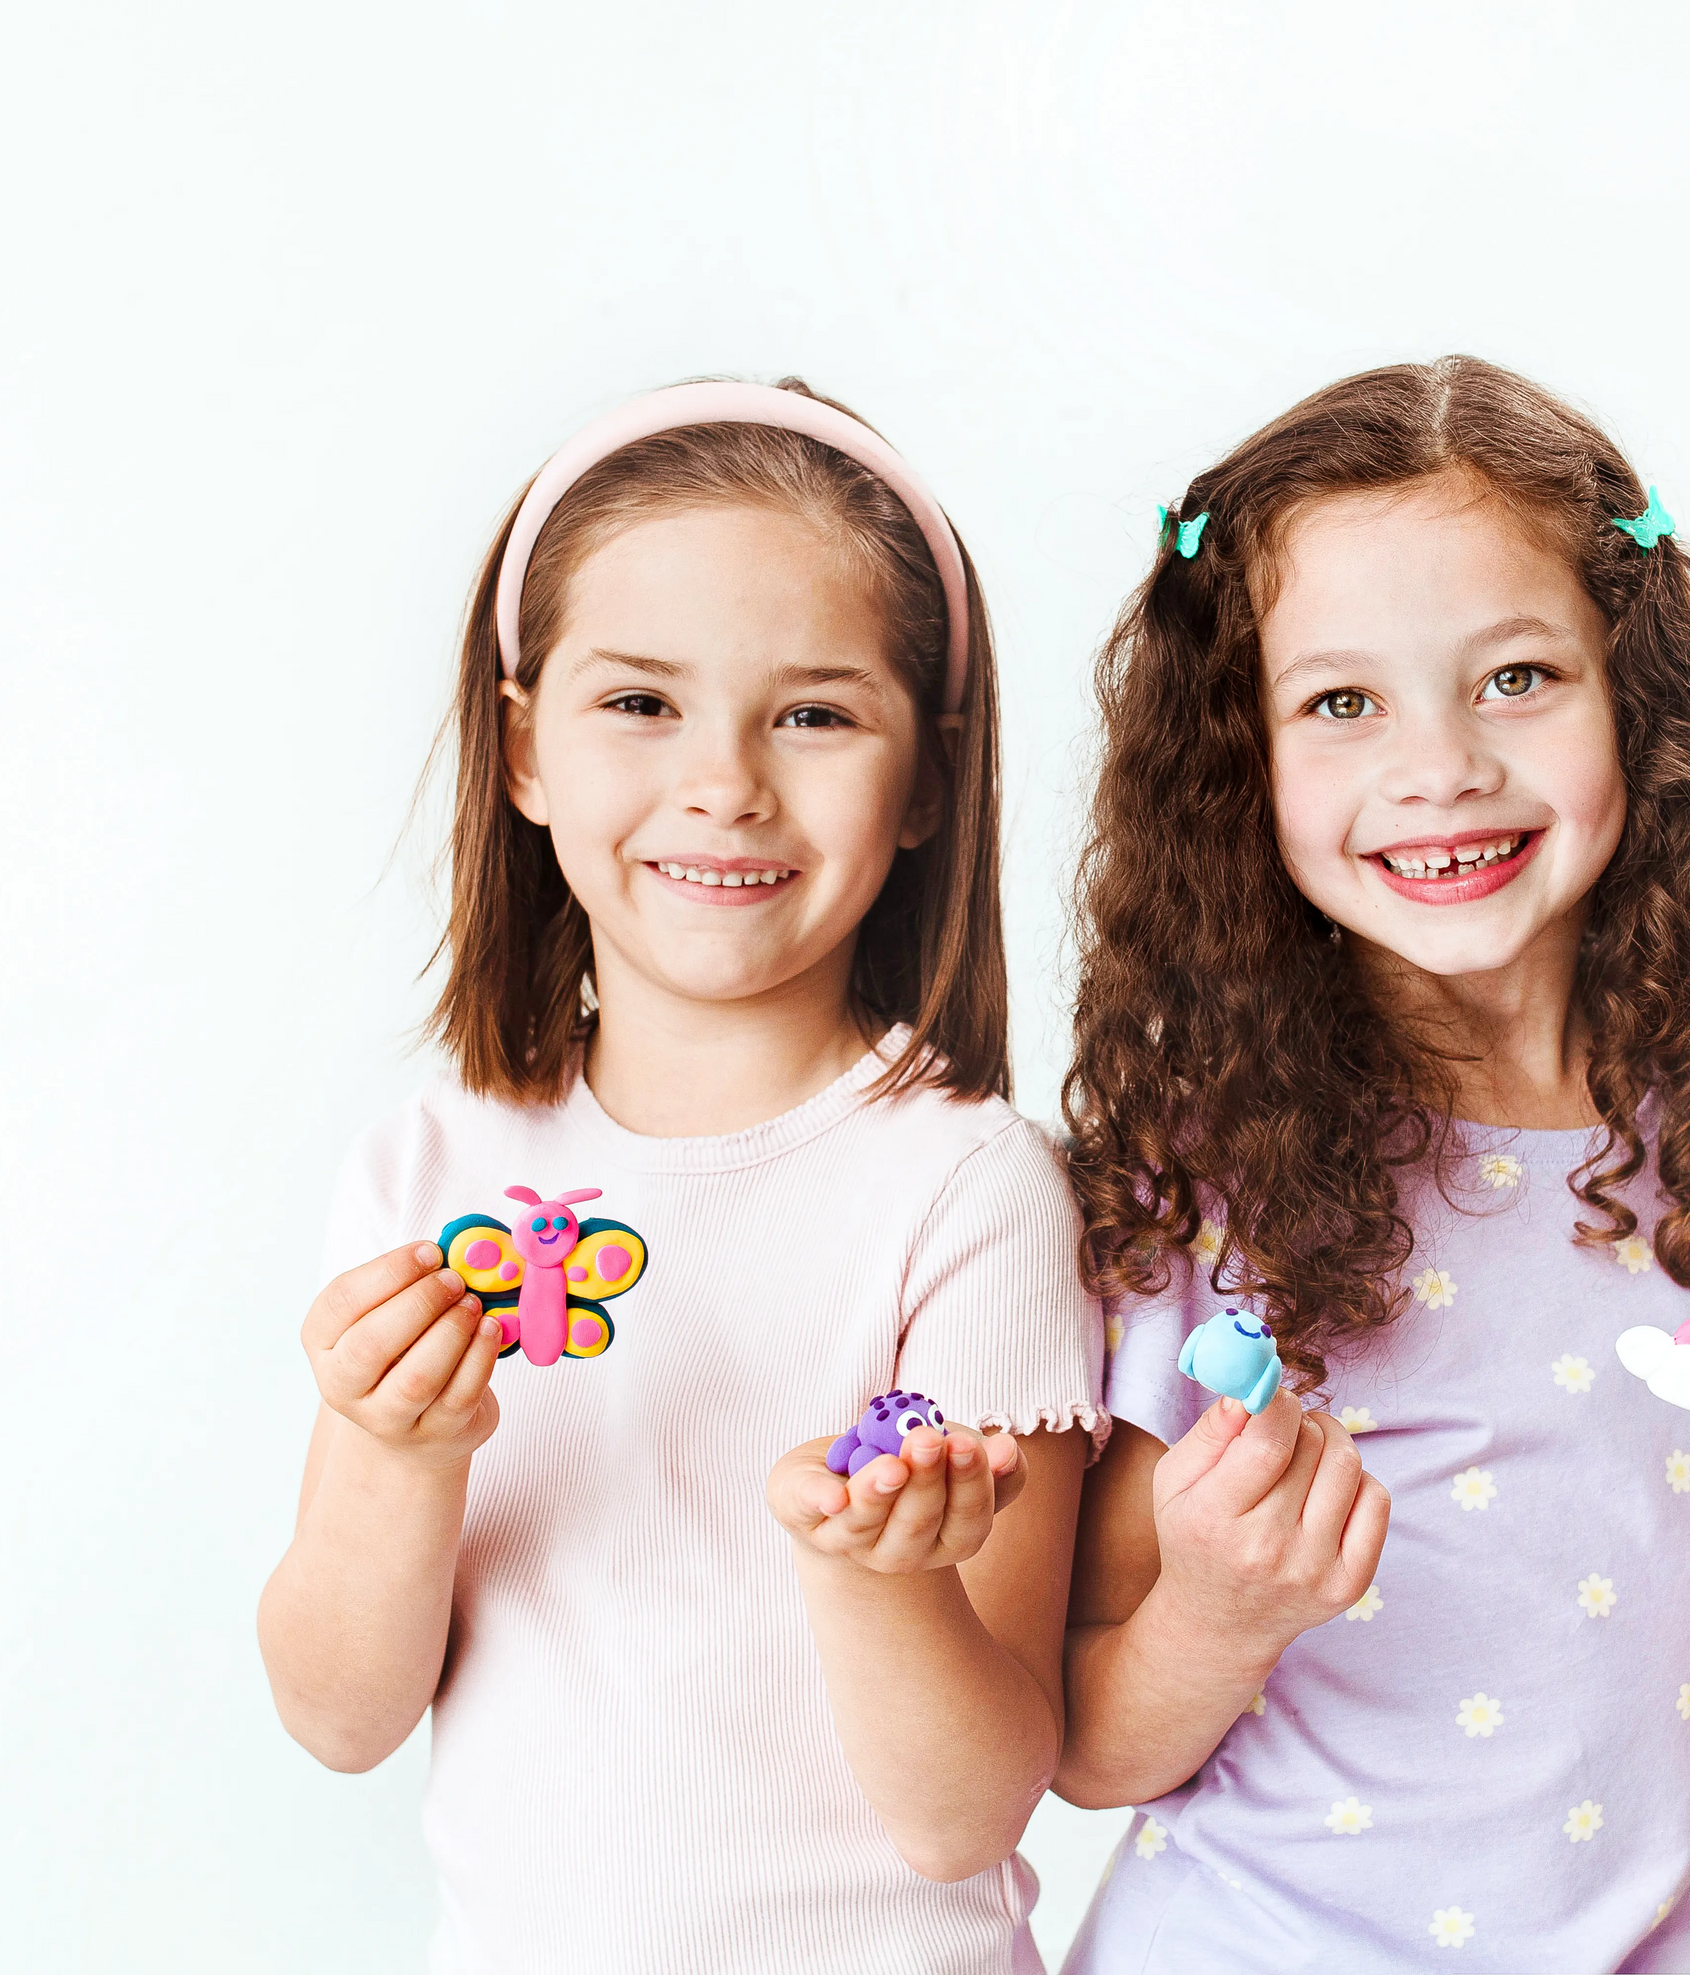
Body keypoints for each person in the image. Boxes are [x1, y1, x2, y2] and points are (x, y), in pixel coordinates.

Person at [1053, 358, 1690, 1972]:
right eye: (1343, 702)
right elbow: (1095, 1745)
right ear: (1235, 762)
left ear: (1642, 701)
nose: (1443, 766)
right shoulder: (1216, 1178)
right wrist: (1220, 1612)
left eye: (1518, 676)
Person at [256, 380, 1100, 1974]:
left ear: (927, 778)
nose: (726, 782)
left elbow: (967, 1812)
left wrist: (878, 1583)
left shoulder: (969, 1188)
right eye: (641, 703)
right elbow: (338, 1715)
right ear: (523, 751)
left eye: (815, 712)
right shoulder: (431, 1168)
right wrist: (394, 1450)